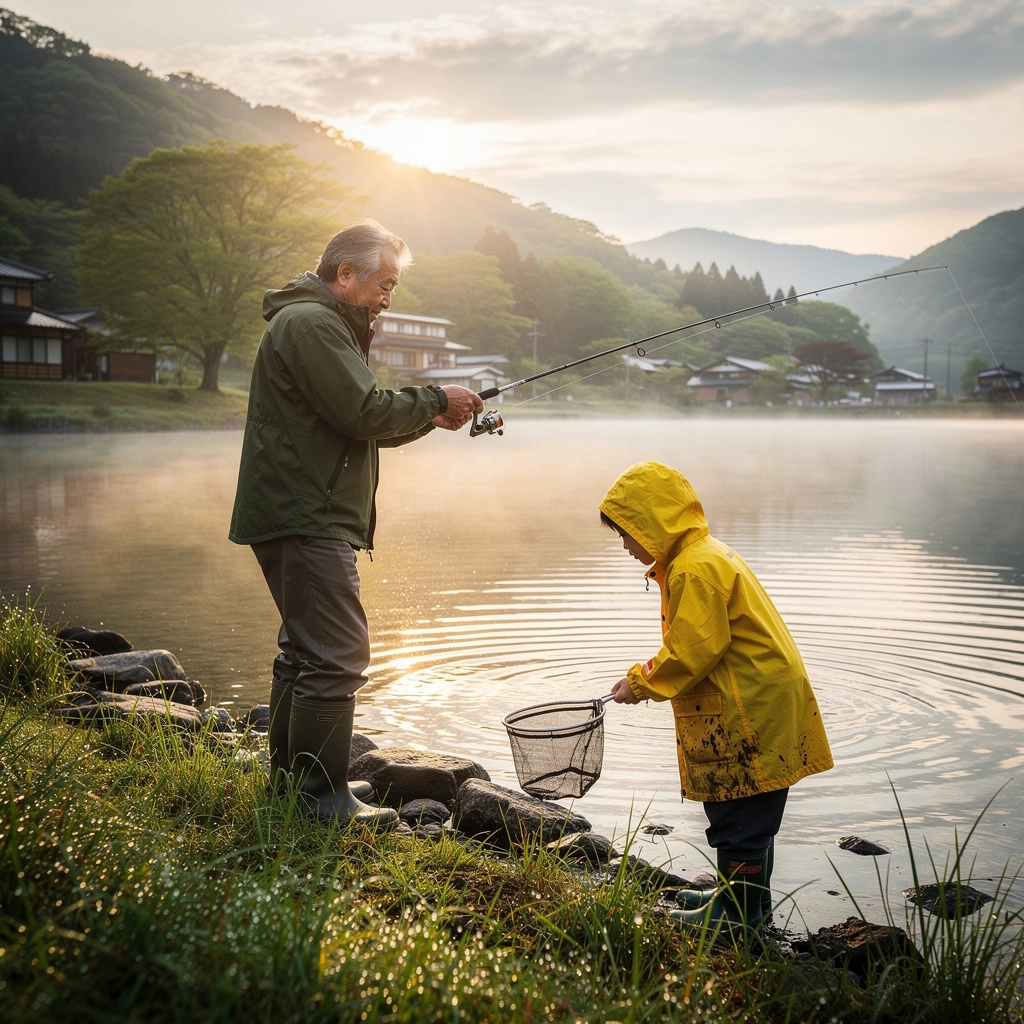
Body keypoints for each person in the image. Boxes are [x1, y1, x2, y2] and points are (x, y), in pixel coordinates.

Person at [229, 219, 483, 831]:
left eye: (394, 285)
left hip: (297, 511)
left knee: (303, 653)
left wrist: (428, 417)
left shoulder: (311, 322)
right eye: (382, 283)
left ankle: (293, 790)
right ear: (345, 274)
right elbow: (365, 410)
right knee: (338, 656)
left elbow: (352, 423)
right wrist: (435, 398)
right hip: (308, 515)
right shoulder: (313, 324)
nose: (388, 296)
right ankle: (323, 801)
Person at [602, 461, 833, 934]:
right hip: (762, 697)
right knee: (751, 807)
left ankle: (738, 915)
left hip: (746, 709)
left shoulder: (693, 568)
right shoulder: (702, 555)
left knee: (739, 808)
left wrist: (639, 683)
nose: (626, 547)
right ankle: (742, 898)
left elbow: (692, 649)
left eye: (627, 533)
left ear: (653, 523)